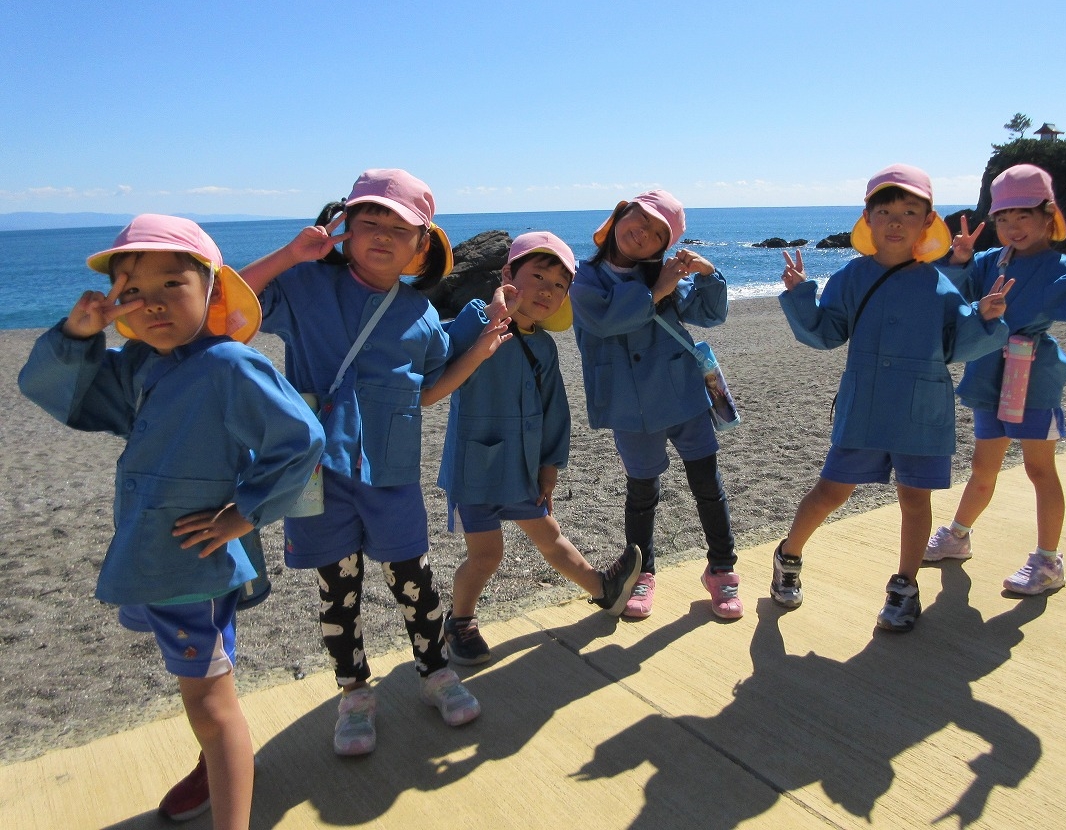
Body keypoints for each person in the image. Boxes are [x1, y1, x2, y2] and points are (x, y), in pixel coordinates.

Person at [18, 215, 324, 830]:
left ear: (212, 288)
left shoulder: (230, 365)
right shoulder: (139, 364)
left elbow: (301, 439)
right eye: (133, 291)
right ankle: (218, 766)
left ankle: (227, 791)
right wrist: (77, 335)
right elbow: (59, 394)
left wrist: (244, 512)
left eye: (172, 285)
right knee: (205, 696)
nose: (153, 304)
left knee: (211, 705)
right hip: (154, 554)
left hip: (193, 566)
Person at [239, 168, 512, 757]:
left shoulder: (420, 314)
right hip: (316, 472)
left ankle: (437, 673)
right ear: (344, 226)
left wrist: (483, 345)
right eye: (369, 222)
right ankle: (355, 694)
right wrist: (291, 254)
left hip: (391, 472)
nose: (383, 235)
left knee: (416, 582)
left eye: (400, 228)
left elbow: (429, 391)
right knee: (338, 593)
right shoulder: (306, 284)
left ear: (421, 245)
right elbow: (226, 308)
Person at [771, 164, 1011, 631]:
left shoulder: (938, 283)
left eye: (909, 212)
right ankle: (789, 555)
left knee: (915, 500)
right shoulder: (852, 276)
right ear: (868, 218)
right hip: (865, 403)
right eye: (885, 212)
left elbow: (956, 346)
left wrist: (984, 318)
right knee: (831, 491)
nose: (896, 222)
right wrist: (800, 297)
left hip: (922, 409)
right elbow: (825, 334)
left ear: (928, 221)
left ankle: (905, 586)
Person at [432, 232, 643, 663]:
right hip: (476, 468)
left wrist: (550, 466)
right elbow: (443, 352)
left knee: (550, 535)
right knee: (486, 556)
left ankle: (603, 588)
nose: (548, 290)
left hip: (522, 466)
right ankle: (460, 621)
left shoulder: (543, 347)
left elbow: (554, 410)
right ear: (508, 274)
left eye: (559, 285)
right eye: (539, 277)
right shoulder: (479, 319)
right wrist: (493, 313)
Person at [925, 163, 1066, 594]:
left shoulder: (1060, 265)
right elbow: (952, 297)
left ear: (1048, 216)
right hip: (989, 373)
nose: (1012, 227)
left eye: (1023, 216)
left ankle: (1049, 562)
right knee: (983, 467)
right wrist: (958, 261)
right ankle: (958, 536)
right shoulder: (989, 261)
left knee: (1040, 469)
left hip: (1033, 374)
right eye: (1003, 218)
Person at [570, 190, 744, 620]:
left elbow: (710, 314)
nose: (642, 233)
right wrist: (654, 292)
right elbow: (604, 321)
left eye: (657, 233)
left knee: (707, 483)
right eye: (641, 219)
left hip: (683, 392)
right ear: (620, 214)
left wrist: (708, 274)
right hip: (630, 406)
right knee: (642, 492)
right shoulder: (583, 278)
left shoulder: (661, 273)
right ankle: (642, 573)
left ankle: (722, 570)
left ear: (662, 246)